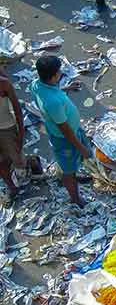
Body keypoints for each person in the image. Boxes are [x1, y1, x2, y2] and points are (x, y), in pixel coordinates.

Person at [30, 56, 90, 206]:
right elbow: (65, 130)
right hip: (65, 139)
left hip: (67, 132)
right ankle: (75, 197)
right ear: (54, 76)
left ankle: (73, 172)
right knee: (68, 170)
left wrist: (66, 89)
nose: (61, 73)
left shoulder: (37, 85)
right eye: (59, 72)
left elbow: (52, 93)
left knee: (71, 163)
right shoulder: (53, 102)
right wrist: (81, 147)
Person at [0, 68, 25, 201]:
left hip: (6, 128)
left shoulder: (3, 83)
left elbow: (17, 110)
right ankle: (12, 187)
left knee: (18, 160)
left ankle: (34, 168)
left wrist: (21, 133)